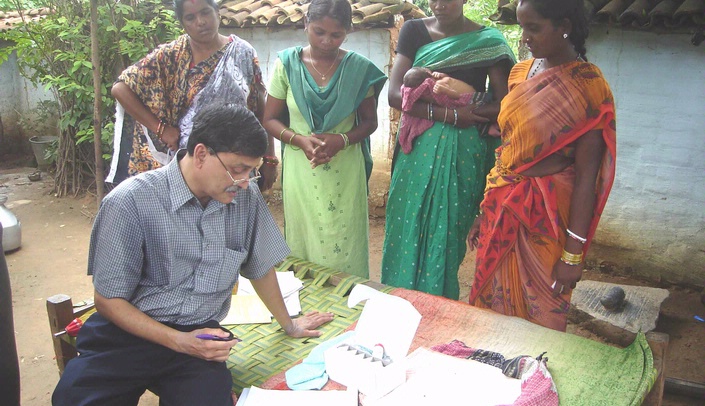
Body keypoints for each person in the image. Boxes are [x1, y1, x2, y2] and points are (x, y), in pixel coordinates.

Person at [52, 104, 334, 406]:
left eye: (251, 172)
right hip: (129, 333)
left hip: (199, 336)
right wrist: (178, 342)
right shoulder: (130, 202)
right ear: (201, 154)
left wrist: (290, 325)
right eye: (238, 169)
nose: (244, 181)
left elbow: (260, 267)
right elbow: (108, 301)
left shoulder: (245, 198)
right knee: (74, 399)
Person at [467, 0, 617, 332]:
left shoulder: (589, 87)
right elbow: (508, 150)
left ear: (564, 25)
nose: (525, 39)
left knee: (542, 319)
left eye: (533, 28)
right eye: (522, 28)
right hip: (502, 205)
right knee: (490, 319)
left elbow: (586, 179)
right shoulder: (521, 73)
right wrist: (483, 210)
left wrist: (573, 256)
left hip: (546, 220)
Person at [380, 0, 515, 299]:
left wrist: (469, 107)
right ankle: (397, 304)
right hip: (417, 149)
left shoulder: (489, 41)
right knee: (406, 222)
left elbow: (507, 104)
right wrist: (452, 116)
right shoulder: (413, 31)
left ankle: (437, 308)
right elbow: (394, 95)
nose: (439, 5)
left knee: (447, 232)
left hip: (463, 150)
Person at [262, 0, 387, 278]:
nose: (327, 41)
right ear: (306, 24)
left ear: (348, 32)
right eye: (319, 32)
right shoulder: (287, 65)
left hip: (344, 168)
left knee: (344, 237)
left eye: (336, 35)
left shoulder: (358, 69)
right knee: (304, 238)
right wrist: (300, 141)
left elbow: (369, 122)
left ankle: (348, 301)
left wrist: (341, 139)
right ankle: (307, 304)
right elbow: (269, 118)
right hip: (302, 167)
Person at [107, 0, 278, 190]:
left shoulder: (243, 53)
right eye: (191, 17)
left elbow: (259, 106)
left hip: (237, 166)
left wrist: (269, 158)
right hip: (189, 169)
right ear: (183, 23)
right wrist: (161, 130)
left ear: (217, 13)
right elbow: (121, 88)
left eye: (205, 13)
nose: (200, 22)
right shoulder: (172, 56)